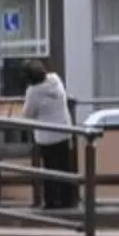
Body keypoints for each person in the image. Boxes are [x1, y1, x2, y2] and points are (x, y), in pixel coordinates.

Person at [21, 62, 76, 211]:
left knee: (49, 169)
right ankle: (68, 200)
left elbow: (27, 114)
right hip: (64, 130)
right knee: (64, 167)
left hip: (46, 136)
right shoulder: (55, 79)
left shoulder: (33, 91)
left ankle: (51, 201)